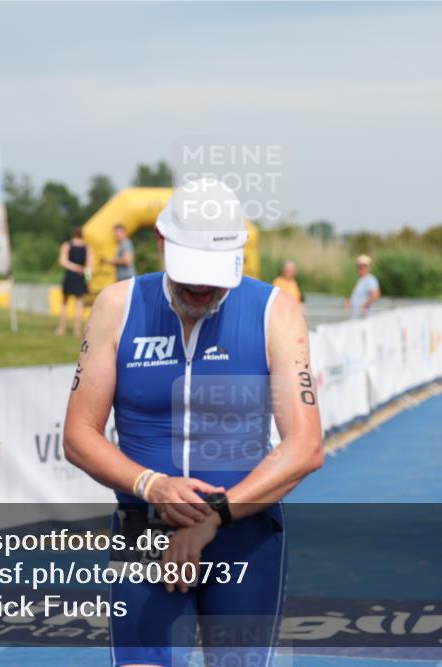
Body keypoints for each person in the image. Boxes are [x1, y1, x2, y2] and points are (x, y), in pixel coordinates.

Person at [63, 178, 323, 667]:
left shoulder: (275, 312)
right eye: (188, 277)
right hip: (146, 530)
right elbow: (78, 436)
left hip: (245, 534)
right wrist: (151, 484)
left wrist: (215, 517)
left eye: (213, 278)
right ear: (161, 243)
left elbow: (305, 446)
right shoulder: (117, 306)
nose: (200, 292)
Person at [56, 226, 93, 338]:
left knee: (64, 304)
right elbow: (89, 266)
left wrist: (75, 267)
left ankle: (61, 329)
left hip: (70, 275)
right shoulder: (87, 248)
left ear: (73, 234)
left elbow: (63, 261)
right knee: (79, 304)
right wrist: (88, 278)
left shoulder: (67, 245)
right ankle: (77, 331)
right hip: (81, 276)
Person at [347, 254, 380, 318]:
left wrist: (364, 306)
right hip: (357, 318)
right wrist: (349, 302)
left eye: (364, 266)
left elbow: (375, 295)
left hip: (365, 319)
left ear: (369, 267)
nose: (362, 268)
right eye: (360, 266)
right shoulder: (360, 280)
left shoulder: (370, 279)